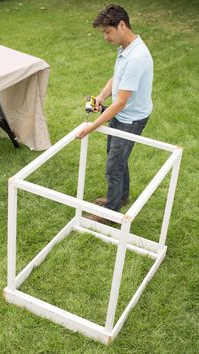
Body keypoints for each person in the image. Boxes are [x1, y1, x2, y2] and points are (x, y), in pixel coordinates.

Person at [77, 4, 153, 223]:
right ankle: (121, 197)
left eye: (107, 32)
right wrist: (101, 97)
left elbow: (120, 103)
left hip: (131, 119)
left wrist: (91, 127)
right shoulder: (126, 48)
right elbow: (116, 79)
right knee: (117, 157)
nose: (106, 37)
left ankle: (110, 213)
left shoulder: (136, 57)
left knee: (114, 166)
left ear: (121, 25)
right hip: (123, 115)